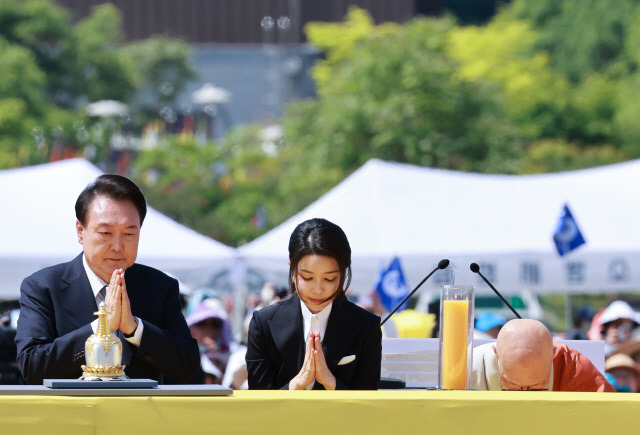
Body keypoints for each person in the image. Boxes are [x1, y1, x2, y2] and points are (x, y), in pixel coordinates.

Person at [15, 174, 200, 384]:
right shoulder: (44, 287)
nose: (118, 246)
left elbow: (189, 366)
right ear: (80, 231)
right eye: (105, 233)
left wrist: (134, 328)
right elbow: (32, 366)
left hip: (140, 414)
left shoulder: (160, 287)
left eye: (129, 234)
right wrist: (101, 328)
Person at [245, 218, 382, 390]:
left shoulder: (366, 325)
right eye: (307, 278)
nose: (318, 290)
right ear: (292, 270)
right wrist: (297, 384)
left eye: (329, 278)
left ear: (344, 271)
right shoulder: (263, 324)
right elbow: (258, 403)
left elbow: (368, 402)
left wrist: (330, 382)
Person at [473, 318, 614, 392]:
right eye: (512, 384)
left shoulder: (575, 370)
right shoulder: (467, 371)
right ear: (496, 355)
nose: (525, 393)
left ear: (553, 355)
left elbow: (608, 418)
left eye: (537, 385)